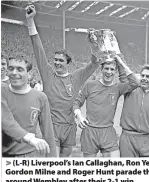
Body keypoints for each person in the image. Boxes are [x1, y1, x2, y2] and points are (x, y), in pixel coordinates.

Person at [26, 4, 102, 157]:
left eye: (61, 60)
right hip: (51, 126)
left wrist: (94, 46)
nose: (57, 63)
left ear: (68, 63)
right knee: (53, 161)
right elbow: (38, 48)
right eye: (55, 60)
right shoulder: (48, 74)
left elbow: (94, 63)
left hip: (70, 127)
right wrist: (30, 21)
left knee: (64, 161)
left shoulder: (77, 76)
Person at [73, 55, 137, 157]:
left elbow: (135, 82)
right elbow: (76, 103)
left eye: (112, 69)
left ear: (115, 72)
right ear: (101, 69)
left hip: (108, 132)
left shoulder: (118, 87)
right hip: (90, 132)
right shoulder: (90, 85)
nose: (109, 72)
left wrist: (120, 62)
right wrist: (79, 116)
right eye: (106, 68)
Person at [2, 56, 57, 157]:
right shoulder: (2, 91)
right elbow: (6, 121)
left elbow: (48, 133)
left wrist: (53, 159)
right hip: (4, 155)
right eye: (11, 68)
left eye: (20, 69)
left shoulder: (40, 97)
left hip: (30, 155)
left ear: (29, 74)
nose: (14, 72)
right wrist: (29, 138)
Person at [2, 89, 51, 156]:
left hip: (32, 150)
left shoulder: (39, 96)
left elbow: (46, 129)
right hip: (8, 152)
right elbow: (5, 119)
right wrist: (29, 137)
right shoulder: (4, 90)